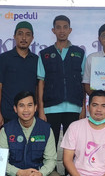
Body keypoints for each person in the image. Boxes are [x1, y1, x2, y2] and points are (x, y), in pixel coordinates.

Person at [0, 91, 63, 176]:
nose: (26, 110)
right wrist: (20, 173)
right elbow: (1, 160)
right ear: (15, 109)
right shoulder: (6, 129)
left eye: (30, 105)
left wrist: (39, 174)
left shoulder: (45, 129)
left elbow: (51, 160)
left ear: (35, 107)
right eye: (21, 105)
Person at [37, 15, 86, 146]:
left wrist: (83, 108)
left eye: (65, 27)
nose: (62, 31)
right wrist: (41, 109)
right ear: (53, 30)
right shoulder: (44, 54)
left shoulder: (79, 53)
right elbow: (41, 82)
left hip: (74, 107)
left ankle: (69, 168)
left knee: (73, 146)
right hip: (51, 108)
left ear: (70, 30)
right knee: (49, 145)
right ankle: (51, 168)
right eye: (58, 27)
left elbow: (83, 81)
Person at [0, 21, 38, 128]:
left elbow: (38, 87)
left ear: (32, 38)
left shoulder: (37, 60)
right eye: (20, 34)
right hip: (7, 114)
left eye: (28, 34)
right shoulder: (3, 58)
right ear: (14, 37)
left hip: (29, 115)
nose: (24, 38)